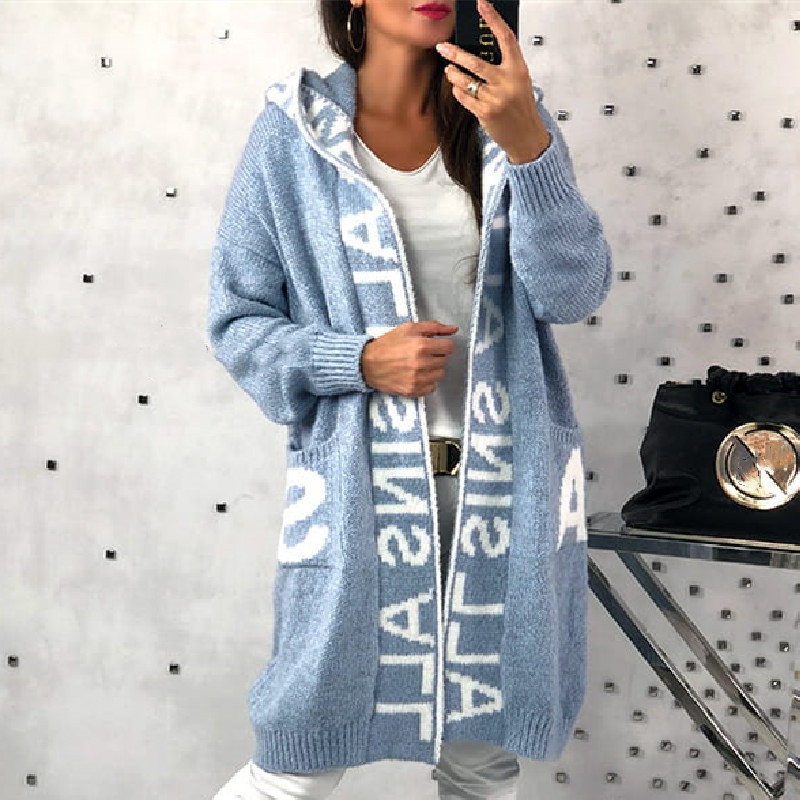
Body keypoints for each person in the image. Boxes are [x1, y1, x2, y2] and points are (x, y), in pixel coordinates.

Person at [206, 0, 613, 797]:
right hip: (362, 500)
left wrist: (528, 146)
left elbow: (573, 293)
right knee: (295, 763)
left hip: (506, 498)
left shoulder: (509, 120)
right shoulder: (293, 137)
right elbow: (238, 322)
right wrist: (357, 359)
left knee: (481, 767)